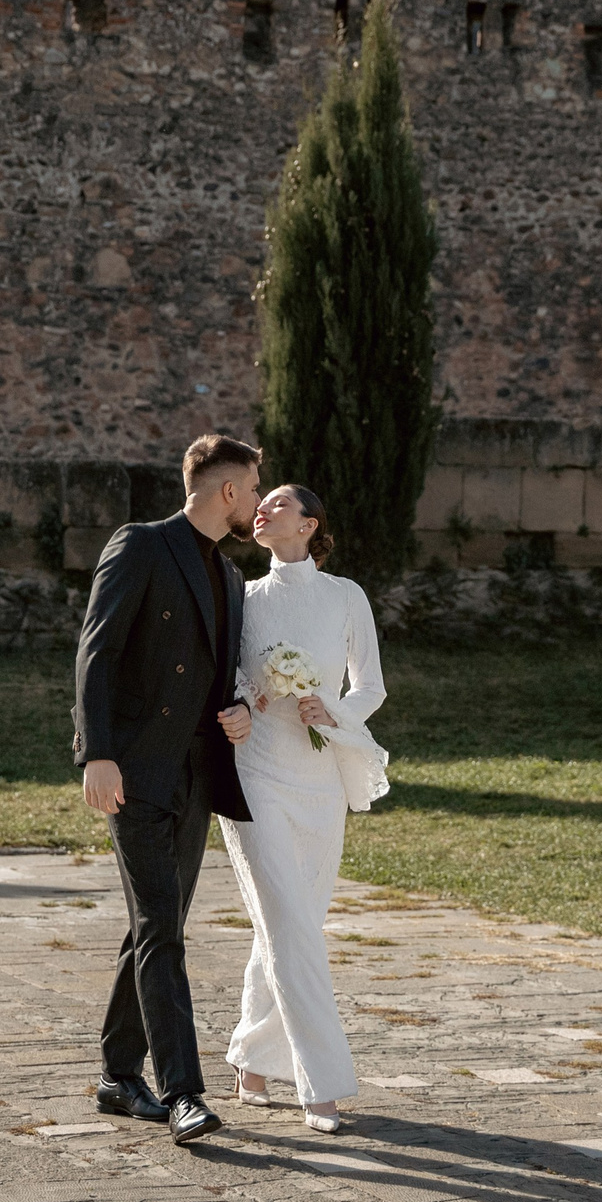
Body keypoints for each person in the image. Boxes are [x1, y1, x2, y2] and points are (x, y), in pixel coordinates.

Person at [70, 433, 262, 1145]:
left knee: (158, 927)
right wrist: (98, 754)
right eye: (253, 484)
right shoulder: (143, 544)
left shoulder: (231, 578)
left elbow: (222, 677)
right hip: (136, 772)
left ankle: (118, 1076)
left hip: (197, 776)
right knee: (160, 927)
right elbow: (98, 650)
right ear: (229, 490)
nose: (256, 498)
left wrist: (238, 710)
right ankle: (184, 1092)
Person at [220, 482, 390, 1134]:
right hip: (255, 771)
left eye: (279, 504)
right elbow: (226, 673)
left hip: (319, 777)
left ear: (310, 524)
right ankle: (322, 1084)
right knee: (287, 920)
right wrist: (248, 696)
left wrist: (336, 711)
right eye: (260, 505)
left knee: (293, 919)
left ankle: (250, 1057)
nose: (262, 510)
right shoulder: (245, 594)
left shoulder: (345, 596)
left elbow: (369, 685)